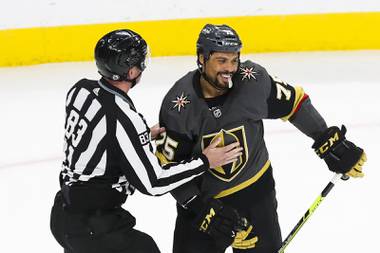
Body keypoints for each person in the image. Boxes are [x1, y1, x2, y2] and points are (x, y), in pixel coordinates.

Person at [156, 24, 367, 253]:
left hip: (255, 195)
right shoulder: (179, 105)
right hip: (205, 203)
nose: (229, 69)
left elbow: (295, 103)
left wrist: (328, 140)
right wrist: (200, 208)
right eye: (221, 61)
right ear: (201, 58)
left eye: (234, 60)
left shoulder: (252, 81)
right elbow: (168, 168)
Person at [49, 29, 244, 253]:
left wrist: (136, 136)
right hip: (93, 227)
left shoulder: (80, 89)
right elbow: (153, 182)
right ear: (131, 71)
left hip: (63, 213)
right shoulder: (122, 118)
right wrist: (204, 161)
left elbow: (96, 131)